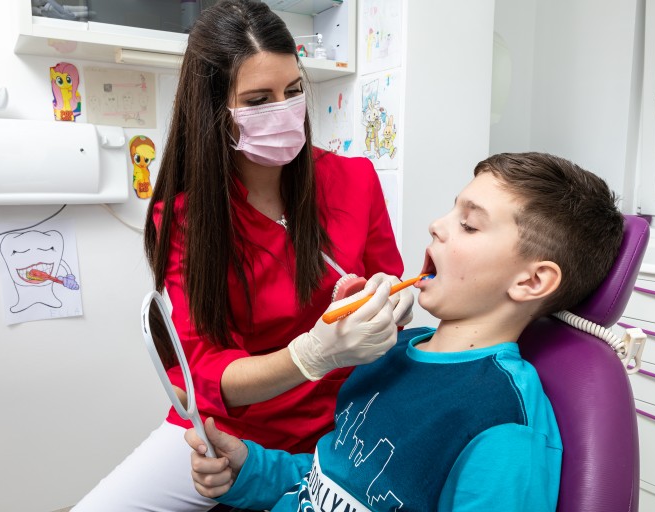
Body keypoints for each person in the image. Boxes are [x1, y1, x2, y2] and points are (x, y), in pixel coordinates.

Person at [72, 1, 411, 510]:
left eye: (292, 91)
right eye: (258, 100)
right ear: (214, 111)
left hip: (345, 420)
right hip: (231, 426)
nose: (284, 109)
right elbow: (205, 371)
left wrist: (394, 304)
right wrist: (311, 355)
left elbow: (393, 289)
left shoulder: (355, 180)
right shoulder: (186, 219)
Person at [184, 152, 626, 511]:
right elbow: (333, 479)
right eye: (452, 211)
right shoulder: (390, 354)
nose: (437, 225)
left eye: (469, 224)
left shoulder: (502, 426)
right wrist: (249, 469)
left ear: (531, 281)